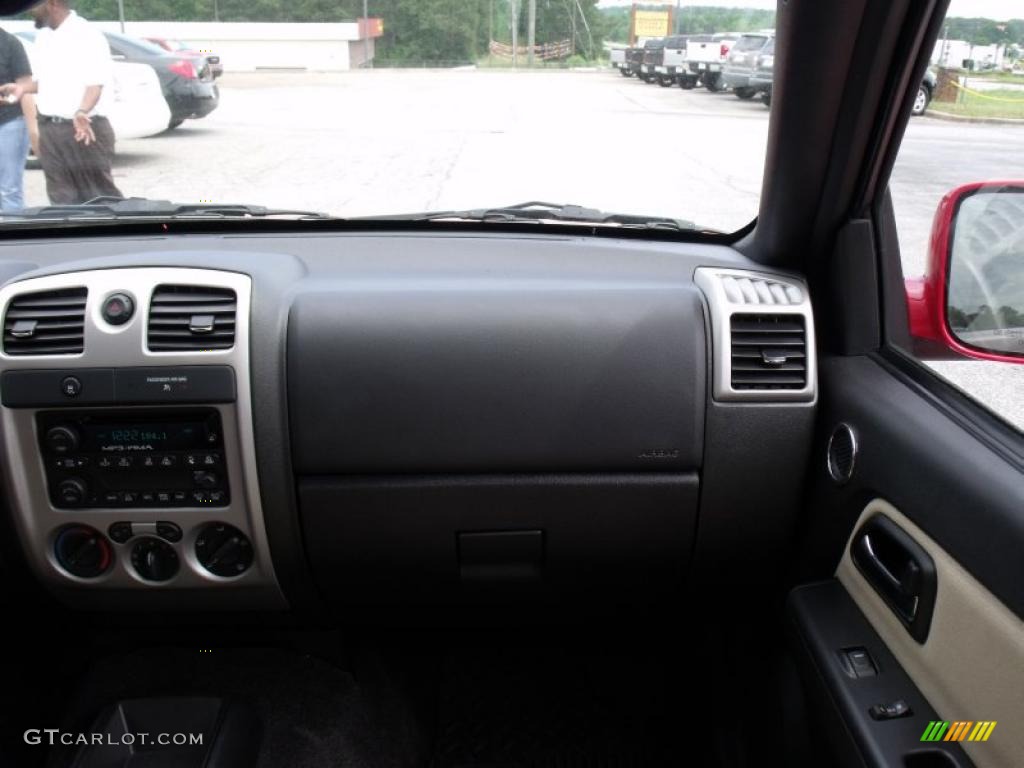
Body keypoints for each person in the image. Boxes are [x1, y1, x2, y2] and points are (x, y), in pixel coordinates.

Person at [0, 0, 121, 205]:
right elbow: (48, 82)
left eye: (34, 6)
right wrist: (22, 89)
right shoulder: (44, 37)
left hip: (83, 129)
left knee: (98, 197)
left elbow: (95, 84)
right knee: (61, 199)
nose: (30, 11)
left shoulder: (86, 34)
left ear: (52, 3)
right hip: (51, 131)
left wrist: (82, 111)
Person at [0, 28, 32, 210]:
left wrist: (10, 97)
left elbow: (25, 85)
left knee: (9, 190)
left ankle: (13, 233)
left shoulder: (9, 42)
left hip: (9, 121)